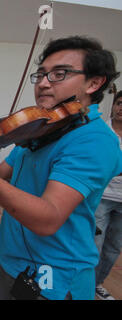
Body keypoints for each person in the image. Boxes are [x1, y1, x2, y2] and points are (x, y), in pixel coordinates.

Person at [0, 36, 122, 300]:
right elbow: (5, 170)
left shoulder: (95, 140)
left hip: (54, 277)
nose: (43, 83)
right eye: (41, 74)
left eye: (59, 74)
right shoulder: (42, 129)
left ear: (94, 82)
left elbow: (48, 218)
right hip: (9, 258)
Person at [94, 90, 122, 300]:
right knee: (95, 245)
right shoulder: (101, 130)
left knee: (113, 248)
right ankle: (84, 285)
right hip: (102, 196)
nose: (121, 108)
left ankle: (96, 283)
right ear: (113, 105)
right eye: (119, 103)